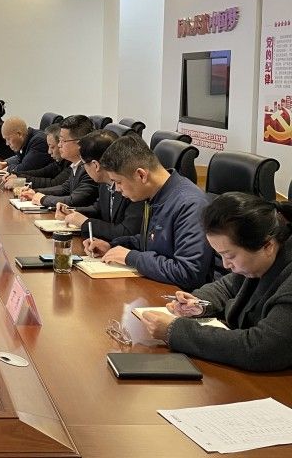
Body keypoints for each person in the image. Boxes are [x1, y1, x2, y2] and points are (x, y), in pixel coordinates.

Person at [141, 193, 292, 372]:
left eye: (230, 256)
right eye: (220, 255)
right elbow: (227, 286)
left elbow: (262, 348)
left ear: (268, 246)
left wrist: (174, 330)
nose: (226, 265)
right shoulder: (256, 260)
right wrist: (198, 303)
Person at [84, 134, 212, 290]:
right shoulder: (155, 195)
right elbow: (153, 241)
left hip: (181, 297)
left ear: (141, 175)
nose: (117, 189)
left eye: (118, 182)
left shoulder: (190, 204)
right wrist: (112, 246)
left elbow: (188, 272)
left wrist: (132, 258)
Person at [55, 129, 144, 241]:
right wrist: (73, 212)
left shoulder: (132, 185)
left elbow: (127, 232)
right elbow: (99, 209)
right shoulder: (103, 182)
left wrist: (85, 222)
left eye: (83, 164)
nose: (83, 168)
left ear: (96, 165)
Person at [19, 115, 97, 209]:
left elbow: (74, 200)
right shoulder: (77, 165)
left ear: (80, 143)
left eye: (63, 141)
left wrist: (42, 199)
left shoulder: (91, 168)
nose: (59, 145)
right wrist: (35, 192)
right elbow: (64, 188)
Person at [5, 124, 68, 190]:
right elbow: (43, 172)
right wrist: (17, 175)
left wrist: (19, 182)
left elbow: (54, 184)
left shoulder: (71, 164)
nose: (49, 152)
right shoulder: (60, 162)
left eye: (52, 147)